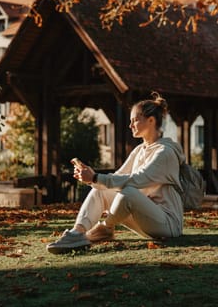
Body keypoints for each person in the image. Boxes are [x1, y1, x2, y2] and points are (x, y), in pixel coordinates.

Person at [46, 91, 186, 254]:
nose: (130, 125)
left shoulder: (165, 152)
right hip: (146, 221)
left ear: (151, 120)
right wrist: (93, 179)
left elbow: (137, 179)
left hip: (168, 225)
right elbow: (117, 178)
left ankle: (105, 228)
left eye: (135, 120)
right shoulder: (140, 150)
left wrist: (97, 177)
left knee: (128, 192)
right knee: (100, 190)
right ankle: (77, 233)